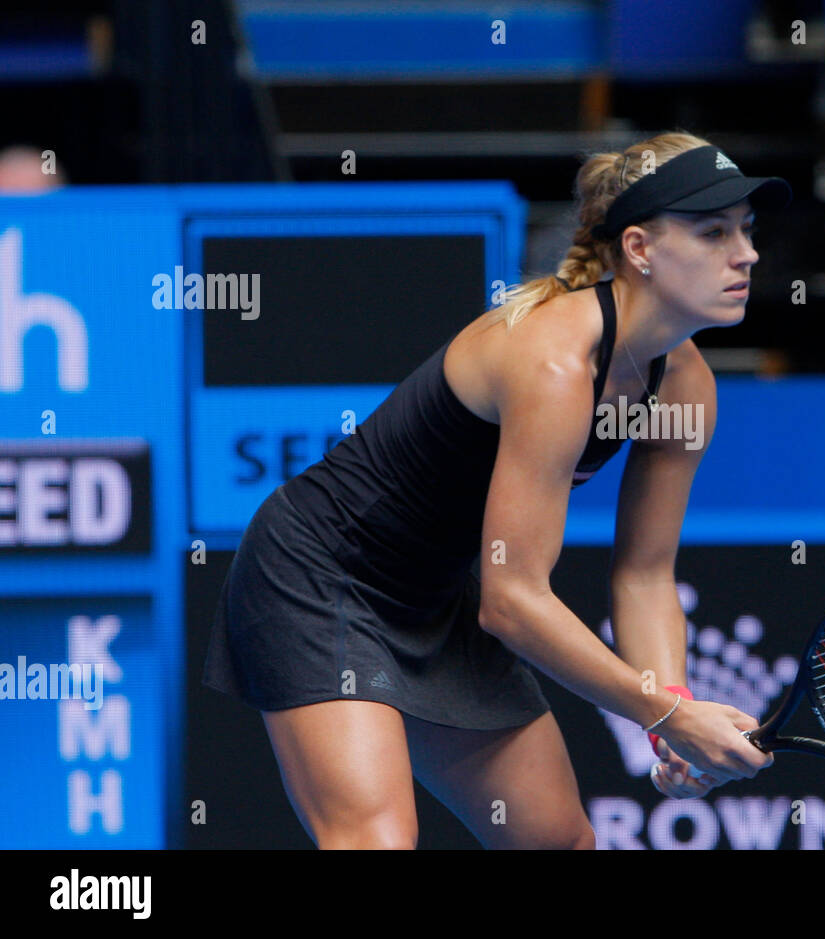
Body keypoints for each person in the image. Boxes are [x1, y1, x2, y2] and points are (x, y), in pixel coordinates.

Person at [202, 132, 788, 848]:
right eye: (713, 231)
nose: (747, 253)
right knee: (375, 840)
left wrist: (674, 710)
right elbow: (513, 601)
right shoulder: (554, 362)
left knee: (556, 840)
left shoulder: (687, 384)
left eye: (747, 232)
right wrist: (663, 717)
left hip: (437, 598)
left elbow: (642, 573)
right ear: (639, 248)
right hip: (321, 574)